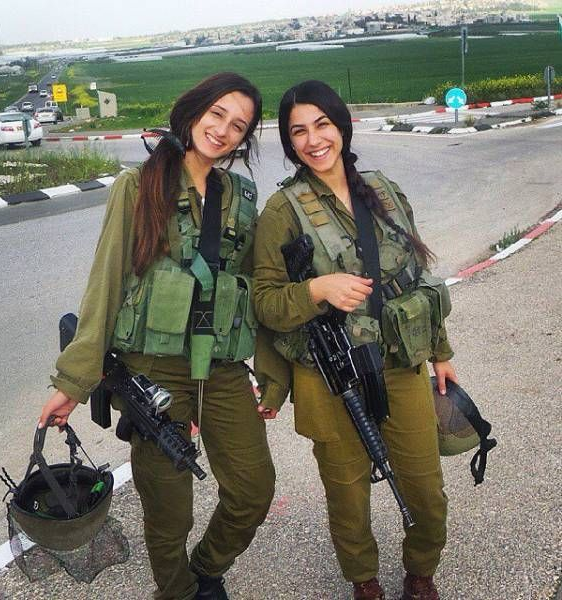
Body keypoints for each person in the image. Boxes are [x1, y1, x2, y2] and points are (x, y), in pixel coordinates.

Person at [39, 72, 276, 600]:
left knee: (253, 490)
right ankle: (177, 590)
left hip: (221, 369)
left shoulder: (240, 197)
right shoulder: (139, 185)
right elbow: (105, 284)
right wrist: (73, 382)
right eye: (217, 114)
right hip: (154, 371)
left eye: (239, 126)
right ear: (193, 111)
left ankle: (206, 568)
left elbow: (256, 288)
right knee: (169, 511)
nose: (223, 131)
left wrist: (270, 372)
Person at [253, 80, 457, 600]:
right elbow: (265, 302)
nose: (313, 140)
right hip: (329, 374)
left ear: (341, 125)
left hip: (398, 359)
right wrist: (317, 289)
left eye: (322, 124)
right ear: (289, 142)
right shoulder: (282, 211)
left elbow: (415, 276)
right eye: (298, 131)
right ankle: (364, 581)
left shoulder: (383, 190)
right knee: (347, 495)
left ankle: (420, 572)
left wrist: (441, 351)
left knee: (425, 488)